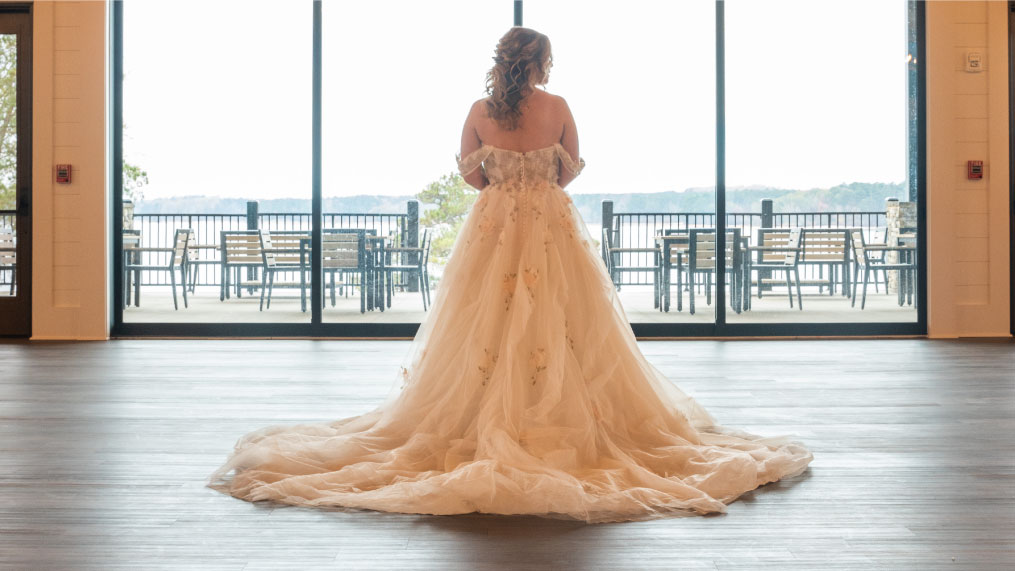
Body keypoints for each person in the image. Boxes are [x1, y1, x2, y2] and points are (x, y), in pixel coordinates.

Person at [206, 27, 813, 524]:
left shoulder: (479, 110)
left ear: (501, 64)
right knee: (566, 318)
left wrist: (504, 183)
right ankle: (557, 413)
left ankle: (485, 410)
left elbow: (471, 175)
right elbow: (568, 170)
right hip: (549, 223)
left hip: (493, 225)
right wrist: (537, 182)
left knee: (481, 324)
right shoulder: (559, 107)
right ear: (542, 62)